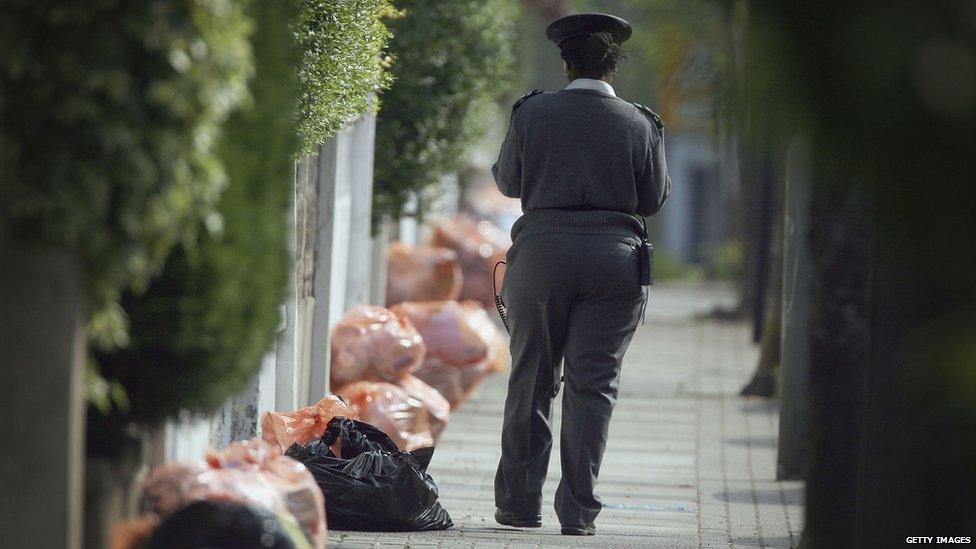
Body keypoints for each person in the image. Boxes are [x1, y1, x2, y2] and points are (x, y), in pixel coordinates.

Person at [491, 12, 671, 537]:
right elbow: (652, 199)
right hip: (616, 262)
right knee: (594, 386)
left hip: (542, 256)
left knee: (533, 377)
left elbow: (508, 182)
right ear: (614, 65)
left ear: (565, 61)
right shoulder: (641, 123)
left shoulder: (532, 114)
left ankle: (520, 506)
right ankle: (579, 513)